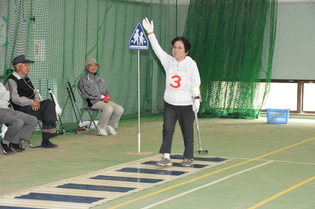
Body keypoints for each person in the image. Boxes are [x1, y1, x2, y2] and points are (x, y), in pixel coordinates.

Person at [142, 18, 201, 167]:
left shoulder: (191, 64)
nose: (176, 49)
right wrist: (150, 33)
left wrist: (197, 99)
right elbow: (156, 48)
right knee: (167, 129)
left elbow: (195, 83)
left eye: (180, 47)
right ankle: (166, 156)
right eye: (174, 47)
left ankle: (188, 157)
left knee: (187, 130)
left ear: (186, 51)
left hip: (186, 104)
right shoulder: (168, 61)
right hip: (170, 103)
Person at [5, 55, 58, 148]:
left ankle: (48, 128)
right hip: (20, 109)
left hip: (31, 106)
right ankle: (46, 137)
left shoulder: (26, 79)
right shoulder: (11, 80)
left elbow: (35, 92)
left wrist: (36, 101)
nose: (28, 67)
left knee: (49, 103)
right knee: (48, 113)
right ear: (18, 66)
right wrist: (32, 102)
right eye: (26, 65)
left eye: (28, 65)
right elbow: (15, 99)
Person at [78, 58, 124, 136]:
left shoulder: (100, 80)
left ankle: (110, 126)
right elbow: (86, 93)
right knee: (108, 108)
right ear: (86, 67)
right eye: (91, 65)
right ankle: (100, 127)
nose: (93, 67)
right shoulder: (84, 79)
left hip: (103, 101)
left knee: (119, 109)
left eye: (95, 65)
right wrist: (101, 96)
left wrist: (107, 97)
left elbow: (106, 91)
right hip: (91, 102)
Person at [0, 81, 37, 154]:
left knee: (32, 120)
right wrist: (5, 93)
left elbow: (6, 96)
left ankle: (14, 141)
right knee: (18, 122)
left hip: (8, 109)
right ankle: (5, 142)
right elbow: (5, 95)